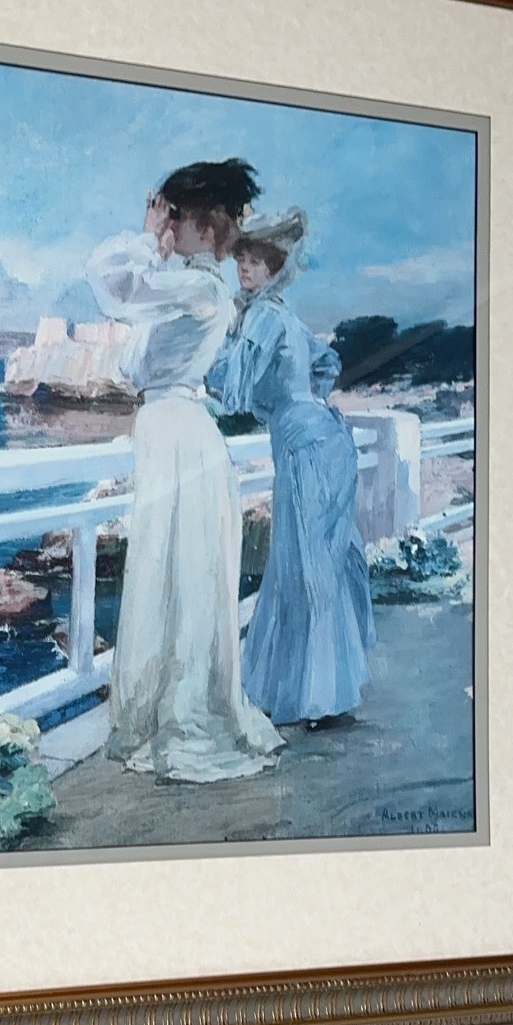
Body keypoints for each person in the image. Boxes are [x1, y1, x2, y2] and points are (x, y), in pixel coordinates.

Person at [85, 159, 285, 784]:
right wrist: (157, 249)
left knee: (176, 574)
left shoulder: (202, 290)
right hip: (171, 432)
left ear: (203, 226)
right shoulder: (187, 289)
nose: (166, 226)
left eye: (174, 216)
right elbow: (132, 352)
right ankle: (158, 712)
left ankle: (181, 717)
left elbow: (113, 283)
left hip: (176, 436)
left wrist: (148, 240)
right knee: (171, 572)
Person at [206, 208, 376, 728]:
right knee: (313, 564)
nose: (245, 269)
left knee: (305, 568)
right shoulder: (286, 316)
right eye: (241, 260)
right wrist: (288, 402)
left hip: (305, 449)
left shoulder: (262, 316)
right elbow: (324, 366)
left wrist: (211, 353)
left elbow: (230, 388)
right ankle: (320, 691)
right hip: (326, 439)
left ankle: (318, 696)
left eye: (256, 262)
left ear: (274, 268)